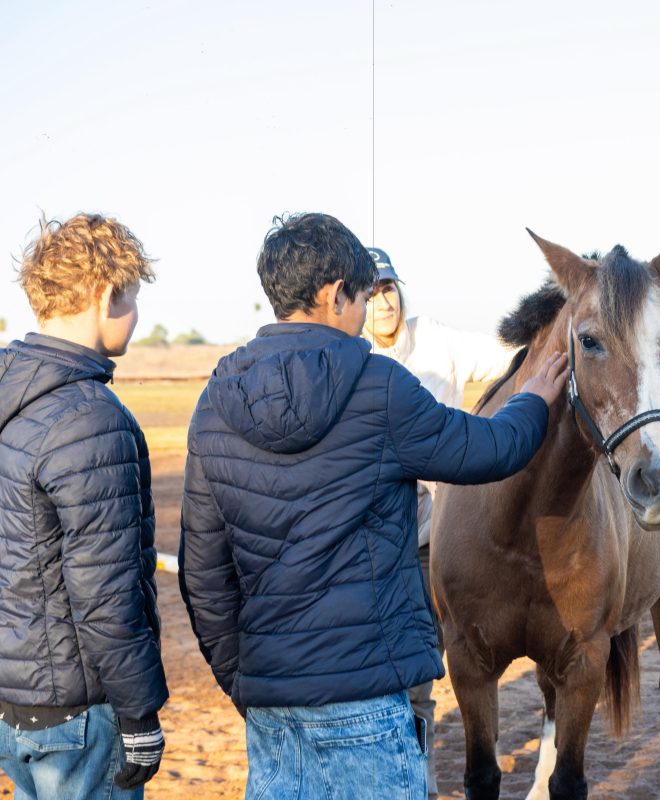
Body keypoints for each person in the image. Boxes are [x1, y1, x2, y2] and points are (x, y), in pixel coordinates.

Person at [178, 212, 567, 800]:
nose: (368, 314)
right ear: (337, 295)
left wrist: (245, 679)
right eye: (363, 296)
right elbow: (489, 449)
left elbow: (202, 572)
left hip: (269, 706)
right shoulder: (379, 386)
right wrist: (534, 396)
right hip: (367, 697)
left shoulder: (214, 400)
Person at [0, 214, 168, 798]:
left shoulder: (11, 395)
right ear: (105, 294)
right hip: (80, 714)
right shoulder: (90, 418)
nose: (137, 316)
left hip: (17, 706)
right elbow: (106, 591)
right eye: (135, 298)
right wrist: (140, 712)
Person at [360, 246, 517, 798]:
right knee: (373, 666)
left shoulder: (440, 342)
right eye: (372, 291)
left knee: (424, 663)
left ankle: (420, 780)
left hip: (433, 539)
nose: (383, 302)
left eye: (388, 289)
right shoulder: (353, 355)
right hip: (371, 540)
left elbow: (510, 356)